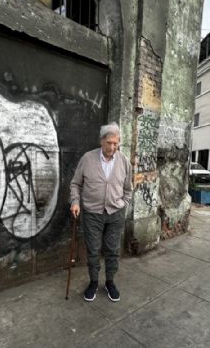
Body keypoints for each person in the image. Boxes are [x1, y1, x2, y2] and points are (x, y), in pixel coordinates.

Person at [70, 122, 132, 303]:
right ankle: (93, 282)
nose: (112, 147)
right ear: (101, 141)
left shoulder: (124, 161)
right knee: (93, 250)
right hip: (92, 213)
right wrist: (75, 202)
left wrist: (123, 203)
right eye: (109, 143)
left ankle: (110, 282)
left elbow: (128, 188)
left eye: (115, 143)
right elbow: (75, 184)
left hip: (115, 213)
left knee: (113, 250)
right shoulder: (87, 159)